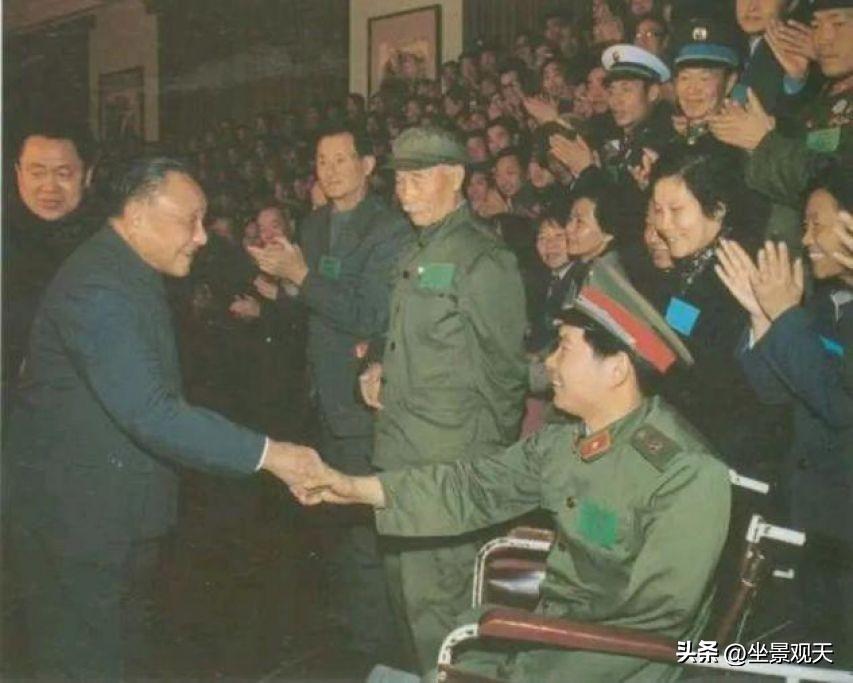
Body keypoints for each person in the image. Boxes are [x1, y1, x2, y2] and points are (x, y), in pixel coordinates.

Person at [299, 262, 731, 683]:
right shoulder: (565, 440)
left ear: (617, 369)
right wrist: (354, 488)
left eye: (564, 348)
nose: (549, 364)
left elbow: (651, 628)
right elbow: (472, 489)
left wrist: (525, 668)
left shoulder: (686, 473)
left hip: (608, 665)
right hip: (548, 640)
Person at [2, 157, 319, 680]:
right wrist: (272, 455)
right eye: (189, 221)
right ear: (136, 215)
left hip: (114, 519)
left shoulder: (128, 269)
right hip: (78, 528)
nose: (201, 236)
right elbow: (151, 411)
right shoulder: (99, 287)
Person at [356, 126, 528, 672]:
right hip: (399, 459)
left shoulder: (484, 258)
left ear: (454, 176)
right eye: (399, 180)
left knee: (442, 619)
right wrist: (379, 366)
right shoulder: (417, 248)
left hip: (447, 470)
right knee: (408, 608)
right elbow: (410, 336)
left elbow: (505, 378)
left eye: (417, 178)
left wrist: (481, 479)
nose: (403, 192)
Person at [250, 124, 410, 669]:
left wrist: (302, 275)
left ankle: (377, 651)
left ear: (368, 165)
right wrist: (280, 285)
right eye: (323, 160)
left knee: (364, 529)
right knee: (334, 525)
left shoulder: (388, 228)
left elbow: (370, 314)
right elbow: (311, 306)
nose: (332, 170)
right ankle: (353, 634)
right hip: (319, 394)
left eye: (343, 159)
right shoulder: (315, 225)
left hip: (361, 399)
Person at [716, 165, 853, 663]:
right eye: (804, 226)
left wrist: (786, 318)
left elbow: (839, 405)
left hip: (843, 531)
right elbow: (776, 393)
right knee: (802, 657)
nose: (806, 239)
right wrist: (762, 316)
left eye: (817, 224)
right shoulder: (827, 303)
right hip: (816, 522)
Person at [3, 118, 98, 411]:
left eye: (63, 173)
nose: (49, 187)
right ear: (18, 174)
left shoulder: (108, 243)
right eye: (37, 173)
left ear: (87, 175)